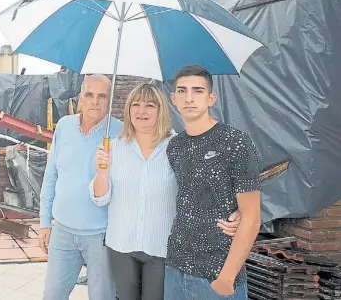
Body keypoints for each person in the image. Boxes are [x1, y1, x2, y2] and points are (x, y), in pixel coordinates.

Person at [89, 83, 241, 300]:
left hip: (162, 248)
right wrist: (101, 171)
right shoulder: (114, 147)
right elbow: (100, 199)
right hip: (121, 244)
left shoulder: (179, 146)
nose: (141, 111)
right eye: (136, 104)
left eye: (150, 105)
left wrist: (236, 211)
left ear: (161, 110)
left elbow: (206, 188)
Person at [164, 65, 262, 299]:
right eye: (182, 91)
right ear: (173, 98)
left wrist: (226, 279)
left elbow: (252, 217)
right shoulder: (175, 147)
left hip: (217, 274)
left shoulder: (235, 142)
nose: (189, 98)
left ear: (211, 98)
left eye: (198, 91)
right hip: (176, 268)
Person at [39, 74, 122, 300]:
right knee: (52, 295)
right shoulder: (64, 127)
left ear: (109, 100)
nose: (95, 101)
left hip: (101, 236)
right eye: (89, 95)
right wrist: (45, 222)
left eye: (102, 96)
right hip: (63, 231)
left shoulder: (120, 132)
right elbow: (51, 175)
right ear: (80, 99)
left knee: (102, 297)